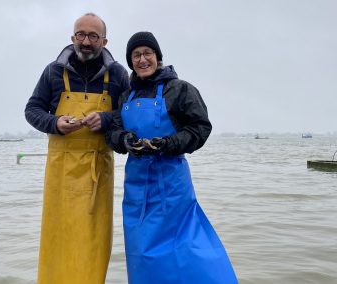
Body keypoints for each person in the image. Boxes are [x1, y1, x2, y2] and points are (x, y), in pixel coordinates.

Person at [105, 31, 238, 283]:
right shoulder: (125, 96)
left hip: (173, 185)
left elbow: (201, 128)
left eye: (147, 53)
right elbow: (111, 131)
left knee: (186, 248)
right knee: (141, 254)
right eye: (136, 55)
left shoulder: (180, 89)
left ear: (158, 57)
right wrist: (124, 140)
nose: (142, 59)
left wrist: (167, 143)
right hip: (136, 189)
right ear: (130, 61)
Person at [24, 13, 129, 284]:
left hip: (98, 170)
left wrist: (106, 119)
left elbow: (130, 114)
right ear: (72, 38)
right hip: (60, 171)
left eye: (93, 36)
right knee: (58, 238)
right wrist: (55, 123)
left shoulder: (118, 74)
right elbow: (32, 109)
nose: (86, 41)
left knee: (93, 241)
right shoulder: (53, 71)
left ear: (104, 41)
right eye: (81, 35)